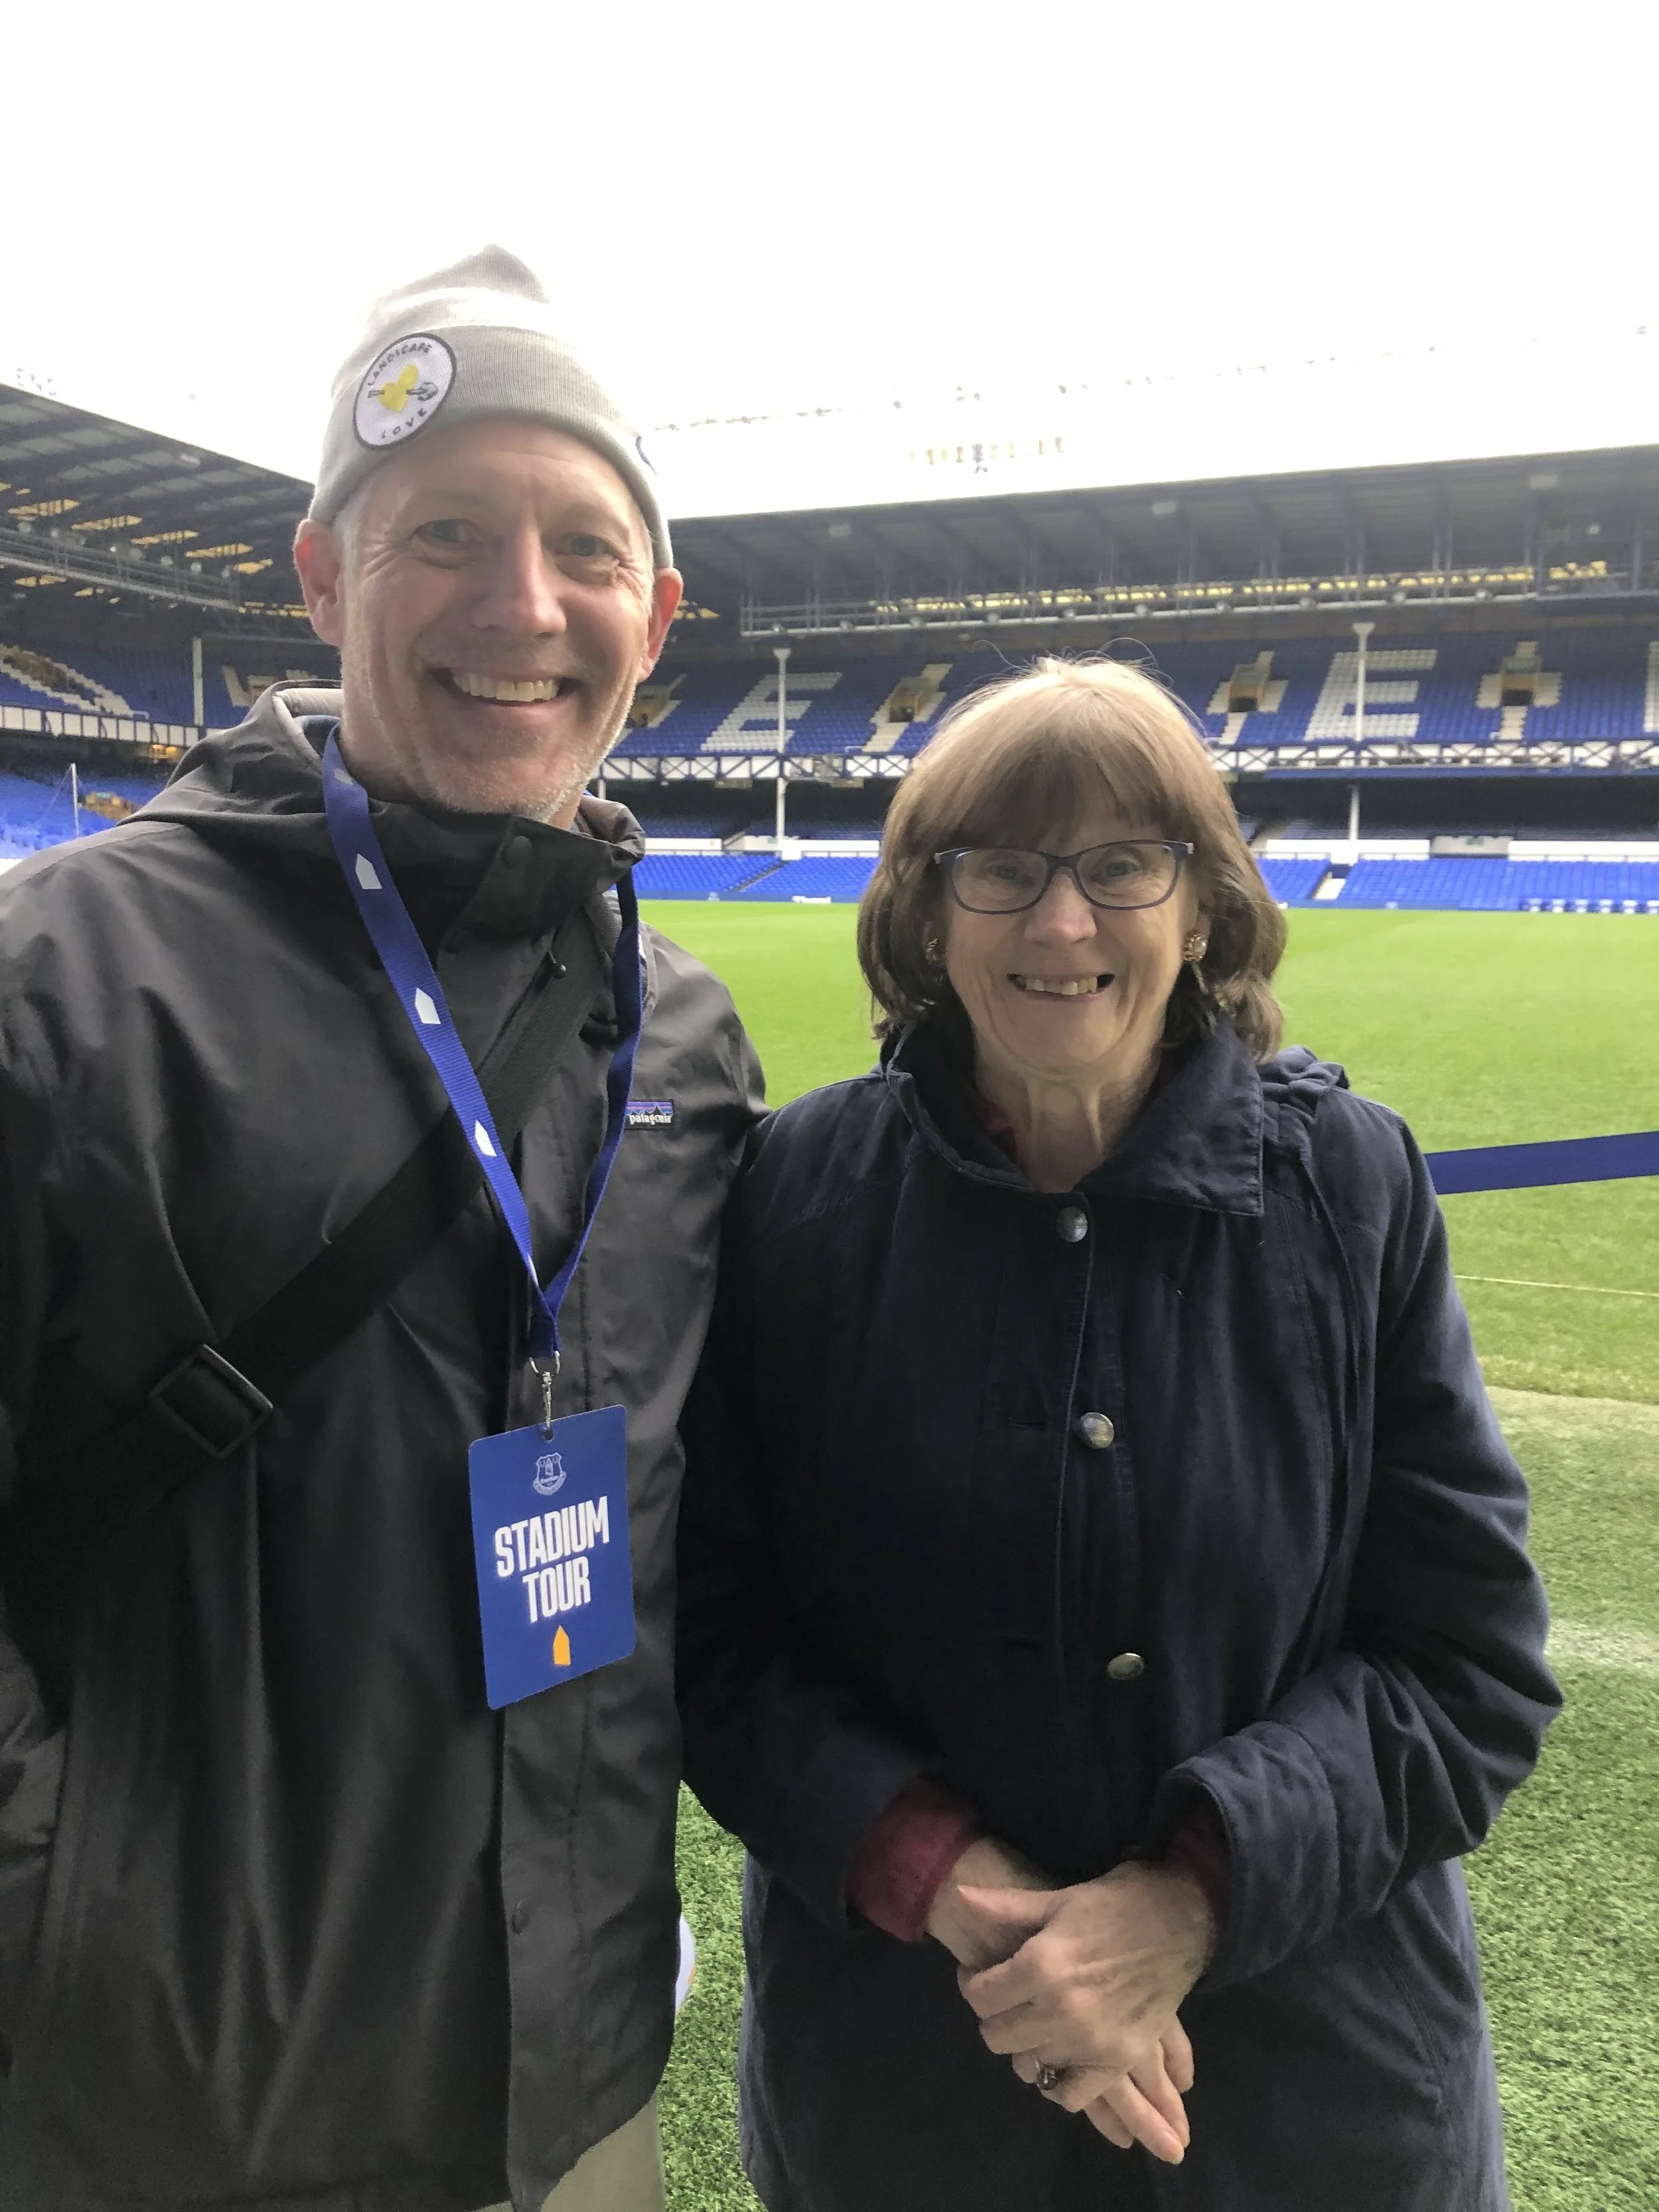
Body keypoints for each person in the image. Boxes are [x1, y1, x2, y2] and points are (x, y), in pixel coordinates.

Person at [0, 248, 763, 2212]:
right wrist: (74, 1951)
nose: (524, 606)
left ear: (655, 615)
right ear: (323, 577)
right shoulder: (64, 983)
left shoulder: (675, 1029)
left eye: (584, 547)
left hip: (571, 2090)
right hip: (168, 2118)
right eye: (447, 535)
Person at [676, 657, 1561, 2212]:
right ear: (925, 913)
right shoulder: (797, 1197)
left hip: (1312, 2107)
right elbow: (711, 1633)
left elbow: (1465, 1664)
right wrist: (943, 1880)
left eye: (1119, 865)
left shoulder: (1350, 1190)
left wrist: (1188, 1895)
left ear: (1203, 906)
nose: (1060, 921)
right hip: (908, 2103)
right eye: (1000, 867)